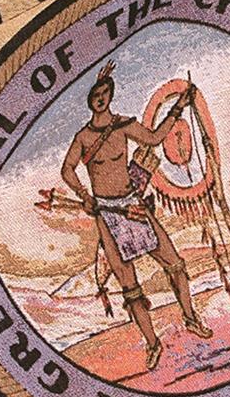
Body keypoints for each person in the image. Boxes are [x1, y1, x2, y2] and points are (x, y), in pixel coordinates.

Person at [60, 63, 213, 371]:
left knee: (175, 264)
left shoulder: (122, 126)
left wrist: (177, 109)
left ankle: (191, 317)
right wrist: (85, 197)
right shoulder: (84, 137)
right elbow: (68, 170)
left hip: (134, 204)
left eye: (105, 93)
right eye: (96, 93)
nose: (100, 98)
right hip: (107, 215)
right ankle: (153, 343)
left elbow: (154, 138)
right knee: (130, 287)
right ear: (90, 99)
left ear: (110, 96)